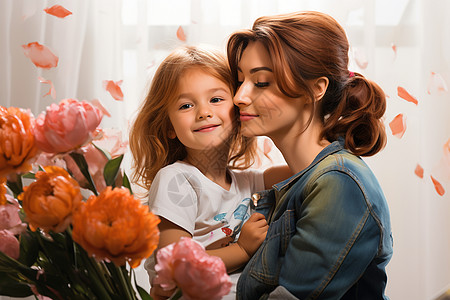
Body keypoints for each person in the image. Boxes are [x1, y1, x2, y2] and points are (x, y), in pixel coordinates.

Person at [227, 11, 394, 300]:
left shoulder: (339, 182)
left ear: (316, 89)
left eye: (262, 82)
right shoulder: (298, 182)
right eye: (241, 80)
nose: (239, 97)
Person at [128, 45, 291, 299]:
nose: (204, 112)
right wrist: (242, 249)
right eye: (185, 106)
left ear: (239, 112)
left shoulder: (248, 181)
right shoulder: (177, 179)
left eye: (215, 99)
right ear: (169, 127)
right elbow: (176, 265)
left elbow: (304, 166)